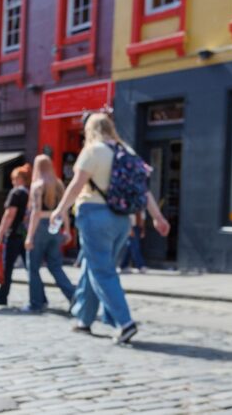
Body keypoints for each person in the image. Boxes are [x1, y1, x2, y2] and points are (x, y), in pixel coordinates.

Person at [50, 113, 170, 345]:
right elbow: (143, 191)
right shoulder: (128, 152)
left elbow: (76, 185)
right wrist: (158, 217)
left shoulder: (93, 150)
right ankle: (84, 320)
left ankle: (124, 323)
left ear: (90, 129)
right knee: (92, 268)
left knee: (102, 271)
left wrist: (60, 209)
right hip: (122, 220)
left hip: (95, 216)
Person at [24, 155, 75, 312]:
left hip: (40, 227)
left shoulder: (37, 186)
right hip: (55, 226)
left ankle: (37, 303)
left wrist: (29, 236)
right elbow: (64, 210)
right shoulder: (58, 184)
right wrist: (67, 230)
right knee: (55, 266)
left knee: (33, 267)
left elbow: (36, 213)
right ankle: (74, 296)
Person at [0, 164, 32, 307]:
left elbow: (9, 215)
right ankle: (40, 296)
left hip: (13, 234)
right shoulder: (30, 193)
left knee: (7, 268)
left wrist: (0, 233)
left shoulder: (16, 193)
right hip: (26, 234)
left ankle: (1, 296)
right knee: (30, 267)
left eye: (14, 179)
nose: (13, 182)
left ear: (20, 179)